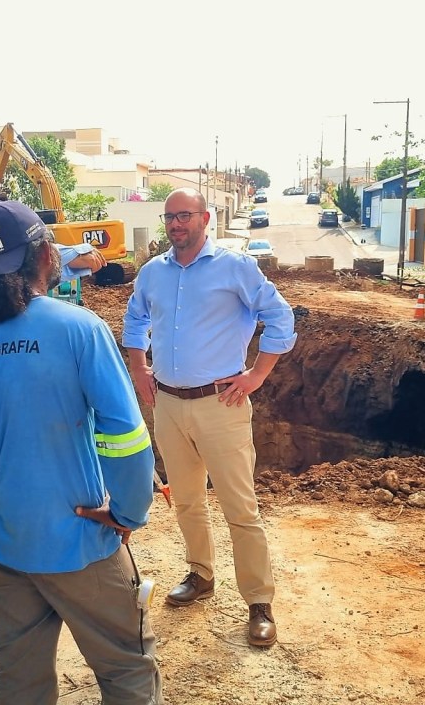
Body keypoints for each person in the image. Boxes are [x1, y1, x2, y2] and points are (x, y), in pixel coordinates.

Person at [0, 200, 162, 705]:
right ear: (43, 255)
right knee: (126, 668)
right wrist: (128, 512)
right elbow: (125, 436)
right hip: (81, 542)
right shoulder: (79, 329)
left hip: (6, 546)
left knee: (21, 681)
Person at [121, 187, 297, 648]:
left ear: (205, 218)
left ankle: (259, 602)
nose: (176, 224)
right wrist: (139, 368)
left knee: (240, 508)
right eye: (169, 217)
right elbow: (135, 319)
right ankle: (201, 574)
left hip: (222, 405)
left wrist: (257, 374)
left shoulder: (235, 267)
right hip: (168, 404)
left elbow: (280, 318)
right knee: (185, 500)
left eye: (185, 215)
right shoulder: (152, 273)